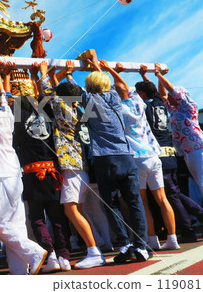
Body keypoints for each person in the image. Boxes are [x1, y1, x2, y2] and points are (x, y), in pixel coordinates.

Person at [0, 59, 48, 275]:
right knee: (16, 221)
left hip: (1, 174)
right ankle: (20, 270)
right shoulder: (7, 112)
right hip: (14, 171)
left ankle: (33, 252)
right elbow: (2, 94)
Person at [80, 53, 149, 263]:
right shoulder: (115, 99)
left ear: (90, 87)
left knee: (111, 204)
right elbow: (108, 85)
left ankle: (125, 244)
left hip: (105, 158)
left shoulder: (89, 101)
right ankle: (141, 246)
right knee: (134, 202)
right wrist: (95, 66)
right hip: (126, 156)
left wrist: (66, 74)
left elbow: (70, 89)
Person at [38, 60, 106, 269]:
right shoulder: (79, 110)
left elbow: (48, 91)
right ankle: (94, 245)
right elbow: (68, 92)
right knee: (79, 211)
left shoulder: (64, 109)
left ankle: (94, 250)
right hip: (81, 167)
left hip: (71, 167)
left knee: (71, 211)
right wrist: (68, 75)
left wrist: (42, 72)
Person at [106, 61, 179, 250]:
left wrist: (105, 70)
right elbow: (123, 86)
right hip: (154, 156)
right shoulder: (139, 103)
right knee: (162, 199)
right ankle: (172, 238)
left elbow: (116, 89)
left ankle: (152, 239)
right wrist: (112, 70)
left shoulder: (119, 110)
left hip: (137, 159)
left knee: (143, 201)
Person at [154, 63, 203, 237]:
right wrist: (154, 76)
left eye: (173, 95)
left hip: (200, 149)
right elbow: (162, 94)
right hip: (189, 153)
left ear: (181, 96)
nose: (170, 97)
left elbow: (171, 89)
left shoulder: (189, 105)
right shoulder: (174, 111)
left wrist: (159, 73)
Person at [135, 74, 203, 241]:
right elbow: (157, 92)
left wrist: (151, 76)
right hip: (170, 152)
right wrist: (145, 75)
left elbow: (156, 93)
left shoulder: (143, 107)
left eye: (138, 93)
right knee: (174, 192)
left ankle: (192, 225)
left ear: (142, 95)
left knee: (171, 194)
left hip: (158, 153)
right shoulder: (159, 103)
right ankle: (199, 219)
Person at [14, 66, 71, 273]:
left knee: (37, 218)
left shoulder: (17, 113)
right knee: (57, 217)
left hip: (32, 173)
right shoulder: (48, 110)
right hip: (52, 171)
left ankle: (51, 255)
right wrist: (39, 76)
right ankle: (64, 256)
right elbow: (48, 94)